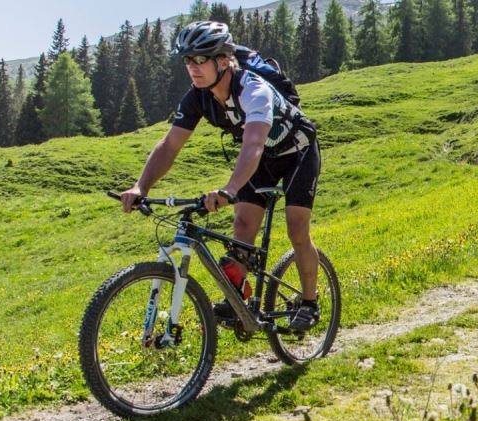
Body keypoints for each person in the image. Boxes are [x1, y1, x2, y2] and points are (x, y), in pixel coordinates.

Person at [118, 21, 324, 332]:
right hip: (262, 160)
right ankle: (239, 300)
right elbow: (170, 145)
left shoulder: (253, 90)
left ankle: (310, 302)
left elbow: (253, 142)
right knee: (242, 226)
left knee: (296, 226)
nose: (193, 68)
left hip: (298, 152)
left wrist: (229, 189)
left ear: (224, 60)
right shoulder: (197, 97)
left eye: (201, 59)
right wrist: (140, 185)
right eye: (188, 60)